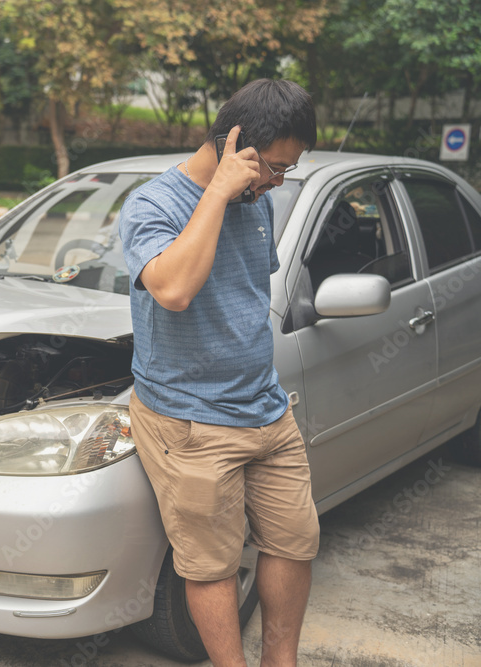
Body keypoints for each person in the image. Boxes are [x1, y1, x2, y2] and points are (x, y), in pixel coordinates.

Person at [118, 79, 321, 666]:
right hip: (190, 422)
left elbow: (249, 293)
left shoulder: (259, 201)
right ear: (236, 148)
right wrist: (218, 192)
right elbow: (174, 290)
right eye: (275, 168)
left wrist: (245, 189)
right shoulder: (153, 204)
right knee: (212, 563)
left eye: (287, 171)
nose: (278, 182)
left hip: (266, 408)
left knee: (294, 542)